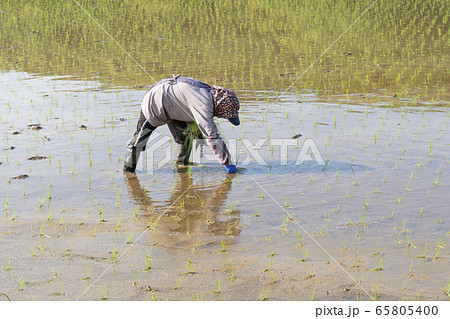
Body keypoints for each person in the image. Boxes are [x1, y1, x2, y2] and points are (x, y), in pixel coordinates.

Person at [123, 75, 240, 174]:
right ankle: (128, 171)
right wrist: (227, 163)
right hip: (155, 99)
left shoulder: (210, 93)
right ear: (221, 108)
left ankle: (182, 165)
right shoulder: (204, 104)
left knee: (185, 136)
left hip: (175, 104)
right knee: (140, 138)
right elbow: (212, 136)